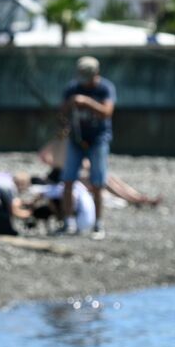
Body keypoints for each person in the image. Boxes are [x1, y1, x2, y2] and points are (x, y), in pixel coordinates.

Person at [60, 56, 116, 238]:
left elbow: (107, 112)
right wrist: (69, 105)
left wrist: (87, 102)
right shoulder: (72, 88)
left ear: (95, 74)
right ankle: (68, 222)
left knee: (98, 182)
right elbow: (60, 113)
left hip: (98, 139)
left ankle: (98, 225)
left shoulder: (105, 88)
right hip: (76, 140)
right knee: (68, 180)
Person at [37, 131, 161, 206]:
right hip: (64, 178)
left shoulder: (55, 142)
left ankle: (137, 197)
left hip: (56, 174)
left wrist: (54, 162)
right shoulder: (72, 144)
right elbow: (85, 163)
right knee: (105, 180)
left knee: (108, 179)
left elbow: (42, 156)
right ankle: (136, 198)